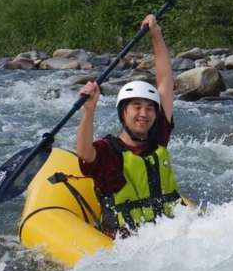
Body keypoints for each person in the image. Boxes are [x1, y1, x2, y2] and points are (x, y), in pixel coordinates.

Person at [76, 14, 180, 238]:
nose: (144, 114)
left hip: (169, 237)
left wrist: (156, 36)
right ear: (123, 112)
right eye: (136, 107)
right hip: (127, 245)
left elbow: (165, 82)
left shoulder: (157, 139)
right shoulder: (108, 152)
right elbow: (84, 153)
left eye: (150, 108)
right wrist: (89, 110)